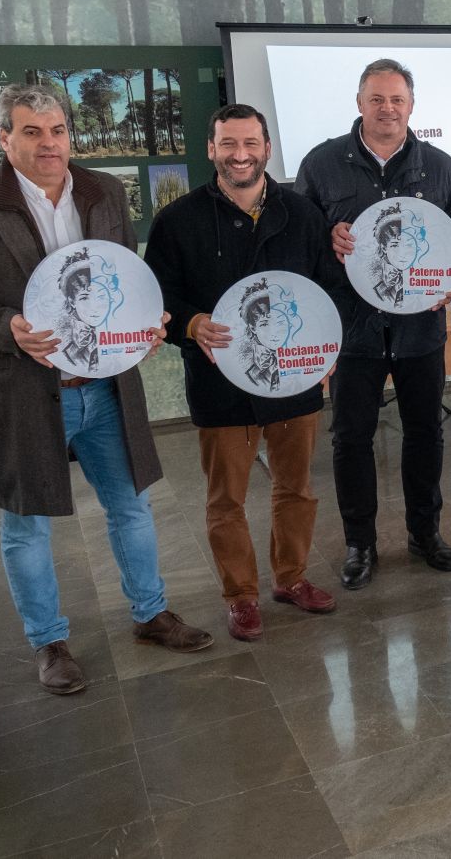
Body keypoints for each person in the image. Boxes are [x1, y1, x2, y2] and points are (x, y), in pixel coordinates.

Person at [0, 83, 212, 695]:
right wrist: (5, 327)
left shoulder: (103, 192)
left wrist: (143, 326)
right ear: (5, 139)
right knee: (27, 525)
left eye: (57, 131)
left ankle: (151, 612)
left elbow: (121, 279)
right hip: (18, 389)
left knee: (131, 505)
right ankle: (48, 642)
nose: (48, 144)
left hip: (105, 386)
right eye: (32, 132)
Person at [145, 104, 350, 642]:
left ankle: (291, 578)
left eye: (251, 144)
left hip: (294, 379)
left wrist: (327, 348)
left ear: (267, 149)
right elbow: (158, 298)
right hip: (220, 383)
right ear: (211, 149)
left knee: (296, 488)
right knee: (226, 499)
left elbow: (328, 289)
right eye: (229, 144)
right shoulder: (177, 220)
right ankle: (240, 596)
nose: (241, 155)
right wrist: (190, 324)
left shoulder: (302, 214)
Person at [298, 58, 451, 591]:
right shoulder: (322, 163)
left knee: (425, 432)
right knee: (351, 438)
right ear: (359, 103)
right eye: (376, 99)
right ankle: (360, 543)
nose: (387, 109)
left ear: (411, 106)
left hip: (420, 330)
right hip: (353, 330)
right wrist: (326, 240)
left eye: (397, 99)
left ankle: (425, 533)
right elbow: (299, 245)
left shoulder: (440, 167)